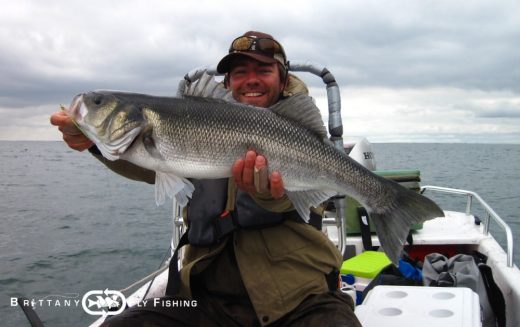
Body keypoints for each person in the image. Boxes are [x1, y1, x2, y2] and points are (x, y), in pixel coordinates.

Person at [50, 31, 361, 327]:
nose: (250, 79)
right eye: (239, 72)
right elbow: (147, 163)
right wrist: (92, 143)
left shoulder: (297, 133)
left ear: (283, 80)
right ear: (227, 83)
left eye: (264, 70)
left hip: (299, 297)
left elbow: (308, 202)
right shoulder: (193, 123)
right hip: (206, 297)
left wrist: (269, 194)